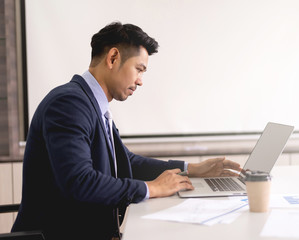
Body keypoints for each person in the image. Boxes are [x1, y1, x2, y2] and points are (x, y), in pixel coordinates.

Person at [11, 22, 242, 240]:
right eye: (139, 70)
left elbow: (126, 163)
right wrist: (150, 188)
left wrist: (190, 169)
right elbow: (80, 181)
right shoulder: (70, 104)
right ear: (113, 58)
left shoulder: (91, 104)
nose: (140, 81)